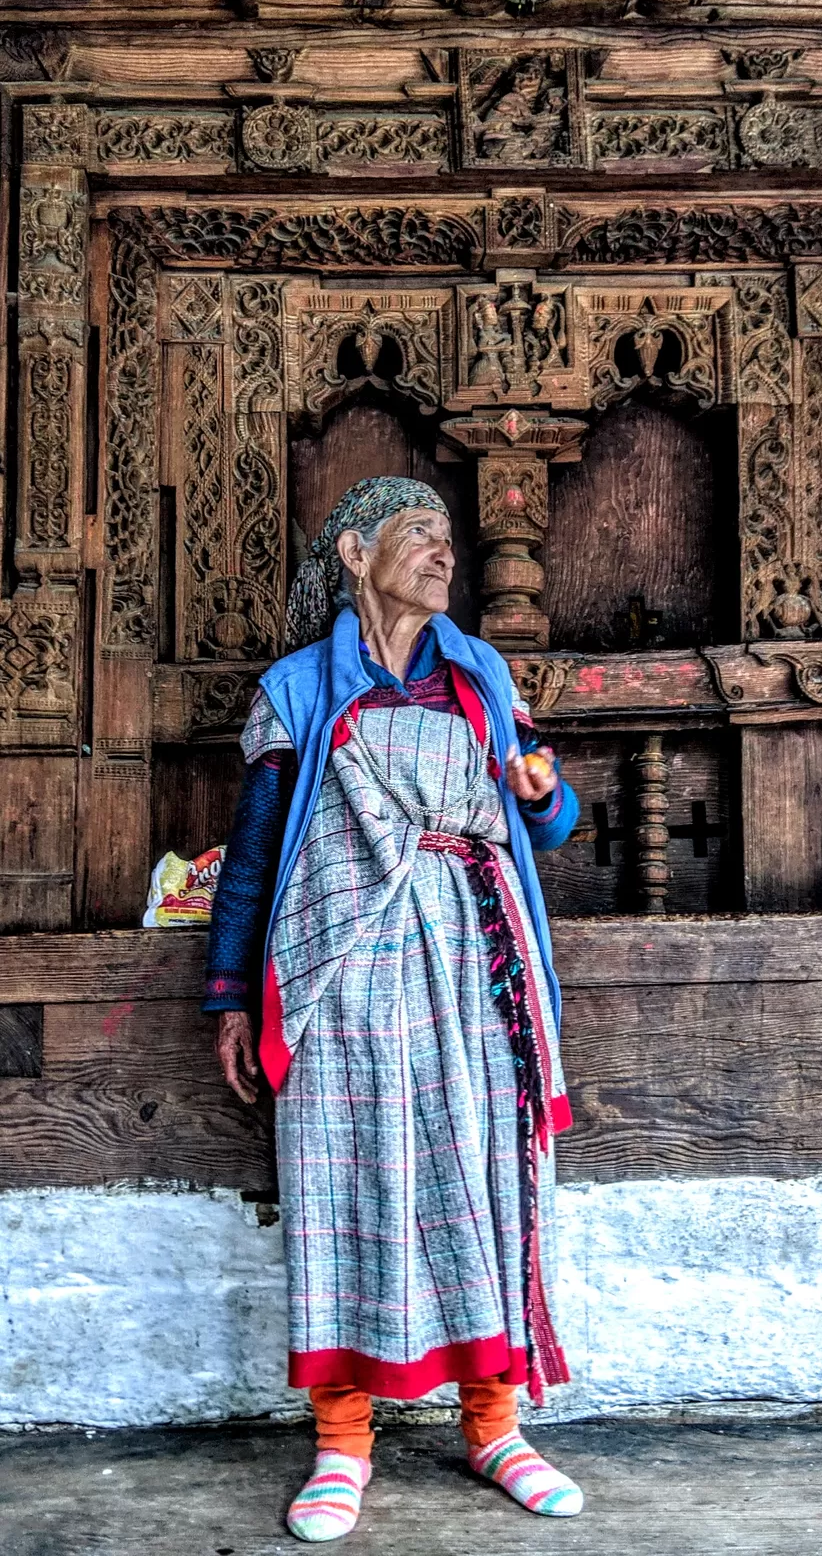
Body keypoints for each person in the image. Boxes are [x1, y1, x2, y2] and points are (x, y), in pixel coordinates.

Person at [203, 476, 583, 1542]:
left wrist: (542, 788)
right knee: (343, 1179)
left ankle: (496, 1426)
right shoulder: (298, 690)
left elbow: (548, 823)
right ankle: (341, 1443)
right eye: (420, 534)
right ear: (356, 552)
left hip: (473, 960)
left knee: (481, 1175)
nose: (442, 554)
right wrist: (233, 995)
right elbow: (256, 857)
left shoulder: (481, 676)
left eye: (448, 540)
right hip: (339, 967)